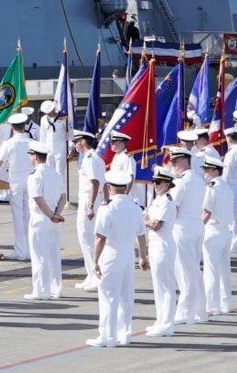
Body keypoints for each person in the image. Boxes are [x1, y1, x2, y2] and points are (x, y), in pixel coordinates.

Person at [88, 167, 147, 347]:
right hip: (128, 252)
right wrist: (142, 256)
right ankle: (125, 333)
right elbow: (141, 235)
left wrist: (95, 260)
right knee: (126, 295)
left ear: (109, 187)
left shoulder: (107, 208)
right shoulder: (135, 207)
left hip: (112, 252)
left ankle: (107, 336)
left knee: (108, 294)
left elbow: (100, 237)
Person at [166, 144, 206, 324]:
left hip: (182, 226)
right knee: (193, 270)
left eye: (175, 161)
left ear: (184, 161)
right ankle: (200, 309)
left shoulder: (182, 181)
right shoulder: (198, 180)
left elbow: (173, 205)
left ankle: (185, 312)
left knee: (184, 271)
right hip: (196, 225)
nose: (172, 164)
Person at [24, 139, 65, 300]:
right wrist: (56, 214)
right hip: (53, 217)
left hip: (41, 217)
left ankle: (41, 290)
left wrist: (50, 215)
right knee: (53, 254)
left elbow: (38, 199)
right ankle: (56, 288)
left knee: (39, 255)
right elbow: (63, 196)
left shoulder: (35, 175)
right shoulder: (55, 173)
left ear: (34, 156)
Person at [142, 165, 179, 336]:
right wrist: (147, 220)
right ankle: (160, 320)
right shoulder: (157, 200)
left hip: (163, 244)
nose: (155, 185)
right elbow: (148, 218)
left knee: (166, 286)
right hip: (155, 245)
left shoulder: (167, 201)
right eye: (154, 182)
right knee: (158, 286)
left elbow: (156, 225)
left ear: (168, 183)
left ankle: (167, 324)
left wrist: (146, 221)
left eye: (159, 182)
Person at [0, 112, 33, 262]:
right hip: (30, 179)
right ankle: (29, 249)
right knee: (29, 215)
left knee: (18, 216)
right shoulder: (31, 142)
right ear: (24, 126)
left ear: (12, 127)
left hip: (15, 179)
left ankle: (20, 251)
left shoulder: (8, 143)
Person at [200, 153, 235, 317]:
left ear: (215, 170)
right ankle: (226, 303)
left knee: (211, 269)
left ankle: (212, 305)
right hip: (226, 230)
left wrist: (199, 229)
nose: (204, 173)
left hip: (213, 229)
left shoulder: (211, 187)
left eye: (207, 169)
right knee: (224, 268)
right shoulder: (226, 186)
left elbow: (207, 211)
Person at [70, 130, 106, 290]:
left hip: (88, 200)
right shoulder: (93, 158)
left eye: (76, 142)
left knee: (87, 238)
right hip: (92, 199)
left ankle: (96, 276)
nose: (75, 145)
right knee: (85, 238)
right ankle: (90, 274)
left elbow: (95, 183)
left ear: (82, 142)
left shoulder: (90, 159)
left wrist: (91, 206)